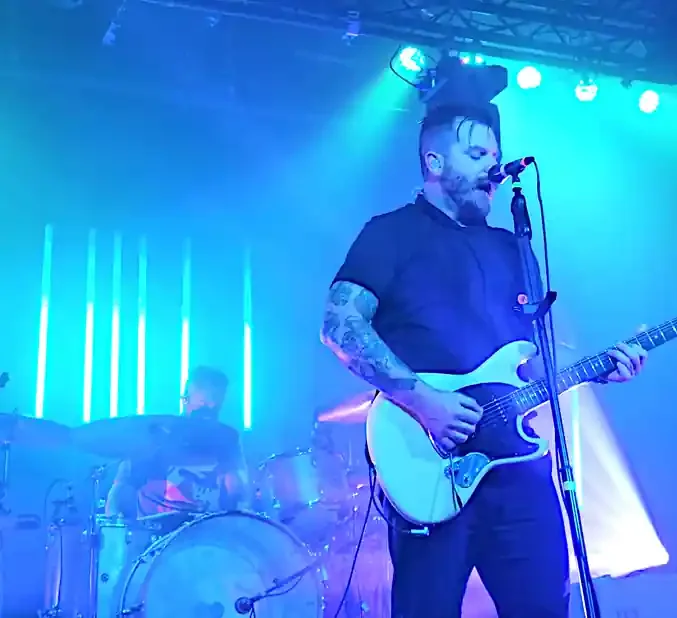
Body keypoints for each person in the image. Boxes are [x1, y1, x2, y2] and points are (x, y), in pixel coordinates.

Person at [320, 104, 648, 618]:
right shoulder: (390, 233)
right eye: (476, 154)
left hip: (519, 474)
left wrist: (600, 366)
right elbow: (340, 325)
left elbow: (531, 360)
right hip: (431, 466)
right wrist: (425, 402)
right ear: (433, 161)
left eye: (495, 156)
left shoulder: (511, 247)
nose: (492, 168)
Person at [105, 366, 250, 518]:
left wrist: (241, 505)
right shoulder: (158, 434)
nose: (212, 405)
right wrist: (113, 525)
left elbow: (238, 490)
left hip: (207, 530)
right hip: (159, 532)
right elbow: (123, 485)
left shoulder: (226, 437)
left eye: (216, 400)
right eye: (204, 401)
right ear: (185, 398)